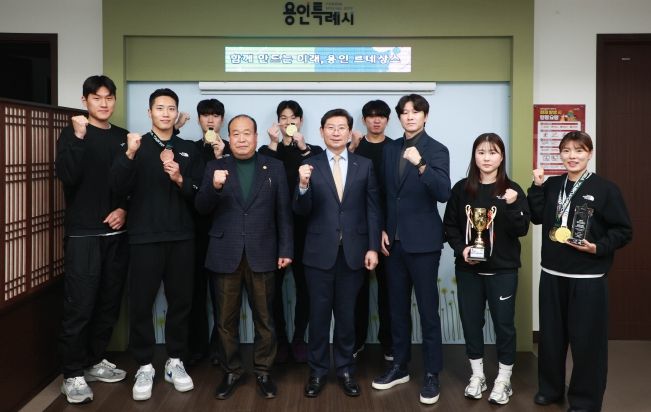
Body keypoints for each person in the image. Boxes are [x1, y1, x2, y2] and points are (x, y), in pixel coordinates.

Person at [110, 88, 204, 401]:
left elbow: (200, 194)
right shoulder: (135, 145)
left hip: (182, 236)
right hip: (144, 237)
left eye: (171, 108)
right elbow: (117, 186)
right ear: (149, 112)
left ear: (177, 113)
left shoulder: (188, 148)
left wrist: (179, 179)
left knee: (181, 302)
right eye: (160, 108)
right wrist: (129, 154)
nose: (165, 113)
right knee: (141, 303)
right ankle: (144, 365)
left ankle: (175, 361)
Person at [528, 131, 632, 412]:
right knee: (551, 339)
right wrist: (536, 187)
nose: (572, 156)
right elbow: (536, 217)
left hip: (588, 278)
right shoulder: (552, 185)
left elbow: (623, 231)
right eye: (566, 150)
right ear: (560, 154)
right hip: (552, 274)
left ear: (590, 153)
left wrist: (597, 247)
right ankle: (550, 389)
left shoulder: (606, 189)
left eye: (579, 150)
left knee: (587, 343)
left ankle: (585, 401)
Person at [195, 114, 293, 400]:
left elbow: (284, 212)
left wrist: (286, 249)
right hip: (225, 252)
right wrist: (214, 187)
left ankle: (263, 371)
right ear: (229, 138)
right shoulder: (215, 166)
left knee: (265, 318)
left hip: (263, 252)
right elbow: (201, 207)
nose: (241, 139)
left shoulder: (274, 167)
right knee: (225, 320)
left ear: (256, 136)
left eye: (246, 133)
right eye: (235, 134)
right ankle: (232, 371)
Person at [294, 108, 380, 398]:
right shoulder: (310, 165)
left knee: (346, 317)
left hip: (353, 253)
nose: (335, 132)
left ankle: (345, 369)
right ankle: (317, 372)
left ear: (349, 132)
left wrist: (372, 247)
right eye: (330, 127)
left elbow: (372, 208)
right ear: (321, 132)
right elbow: (301, 211)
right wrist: (302, 186)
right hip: (318, 254)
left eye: (341, 127)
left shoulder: (364, 165)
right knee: (318, 317)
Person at [371, 94, 450, 405]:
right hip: (393, 242)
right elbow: (381, 194)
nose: (409, 116)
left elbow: (443, 192)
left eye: (415, 112)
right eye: (404, 112)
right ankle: (400, 366)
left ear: (425, 116)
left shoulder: (437, 149)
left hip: (424, 243)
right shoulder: (390, 149)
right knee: (397, 309)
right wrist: (381, 229)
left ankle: (432, 373)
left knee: (428, 311)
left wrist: (421, 165)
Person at [55, 75, 129, 404]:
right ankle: (72, 373)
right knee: (80, 306)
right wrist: (79, 136)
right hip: (84, 234)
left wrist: (124, 209)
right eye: (96, 97)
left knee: (108, 303)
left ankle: (94, 360)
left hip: (117, 234)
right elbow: (68, 176)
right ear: (84, 100)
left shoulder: (124, 137)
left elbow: (131, 183)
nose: (103, 103)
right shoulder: (73, 133)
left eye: (109, 97)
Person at [443, 133, 530, 405]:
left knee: (504, 326)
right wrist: (462, 249)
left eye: (493, 152)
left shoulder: (512, 190)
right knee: (471, 323)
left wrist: (513, 205)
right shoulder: (461, 189)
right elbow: (450, 226)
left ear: (501, 157)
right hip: (468, 271)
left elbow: (522, 229)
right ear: (474, 156)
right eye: (481, 152)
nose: (487, 158)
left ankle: (504, 379)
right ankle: (477, 375)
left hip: (502, 271)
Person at [259, 100, 323, 363]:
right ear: (277, 121)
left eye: (293, 117)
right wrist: (274, 145)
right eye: (283, 117)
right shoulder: (266, 151)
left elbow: (318, 178)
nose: (288, 122)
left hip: (304, 228)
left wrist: (303, 148)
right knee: (271, 290)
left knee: (305, 288)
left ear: (301, 121)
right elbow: (263, 178)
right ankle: (281, 341)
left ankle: (299, 338)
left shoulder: (313, 150)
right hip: (272, 229)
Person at [347, 99, 394, 361]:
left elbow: (396, 193)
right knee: (357, 289)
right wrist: (352, 148)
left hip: (386, 230)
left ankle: (389, 342)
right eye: (371, 116)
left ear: (388, 120)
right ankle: (357, 341)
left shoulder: (395, 148)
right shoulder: (354, 147)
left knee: (389, 288)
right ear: (364, 120)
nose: (376, 120)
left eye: (381, 116)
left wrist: (386, 227)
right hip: (357, 229)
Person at [187, 98, 231, 366]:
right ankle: (197, 346)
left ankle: (220, 347)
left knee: (223, 295)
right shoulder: (190, 149)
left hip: (224, 231)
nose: (210, 120)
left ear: (222, 120)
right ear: (199, 119)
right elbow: (189, 186)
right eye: (205, 115)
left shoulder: (232, 148)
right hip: (195, 230)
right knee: (195, 292)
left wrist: (220, 157)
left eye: (215, 115)